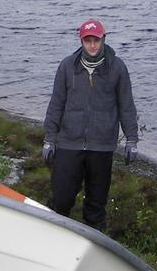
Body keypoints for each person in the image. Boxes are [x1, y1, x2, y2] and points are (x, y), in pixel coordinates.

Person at [42, 19, 139, 231]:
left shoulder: (118, 68)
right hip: (69, 143)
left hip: (101, 146)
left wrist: (131, 139)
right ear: (81, 41)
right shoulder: (67, 66)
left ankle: (93, 246)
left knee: (96, 207)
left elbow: (127, 106)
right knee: (61, 200)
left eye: (96, 40)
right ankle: (53, 239)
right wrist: (49, 139)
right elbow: (56, 103)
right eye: (88, 40)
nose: (92, 45)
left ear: (103, 39)